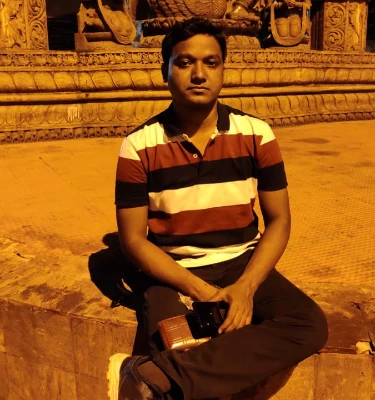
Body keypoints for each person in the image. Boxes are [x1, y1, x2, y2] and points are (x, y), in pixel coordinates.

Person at [108, 17, 328, 400]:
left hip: (241, 261)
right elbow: (133, 241)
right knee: (175, 341)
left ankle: (152, 376)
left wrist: (245, 288)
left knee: (307, 324)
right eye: (184, 62)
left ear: (223, 70)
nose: (199, 74)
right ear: (164, 71)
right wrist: (201, 291)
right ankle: (171, 373)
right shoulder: (139, 146)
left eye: (211, 62)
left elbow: (279, 221)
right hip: (172, 270)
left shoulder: (256, 134)